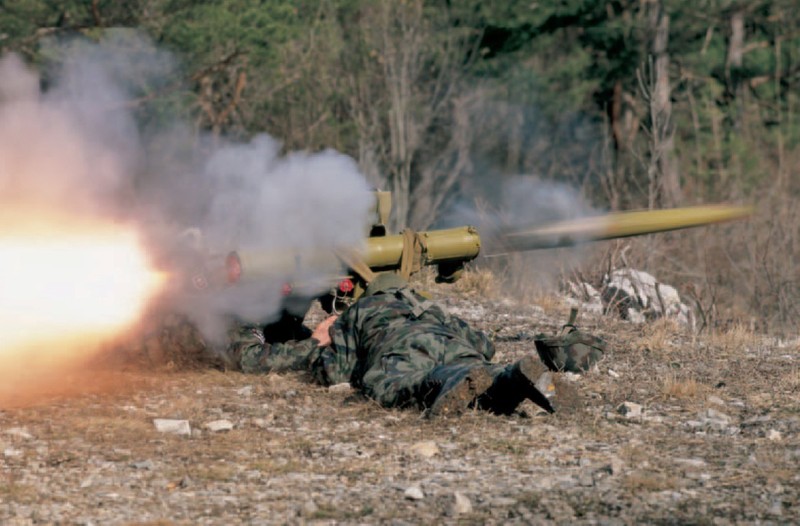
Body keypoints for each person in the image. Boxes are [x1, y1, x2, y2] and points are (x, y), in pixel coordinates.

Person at [220, 273, 603, 416]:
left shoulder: (361, 312)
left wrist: (322, 341)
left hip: (401, 351)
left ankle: (457, 378)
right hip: (453, 341)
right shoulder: (429, 307)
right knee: (481, 371)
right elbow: (483, 343)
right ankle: (508, 379)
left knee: (398, 384)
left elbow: (335, 370)